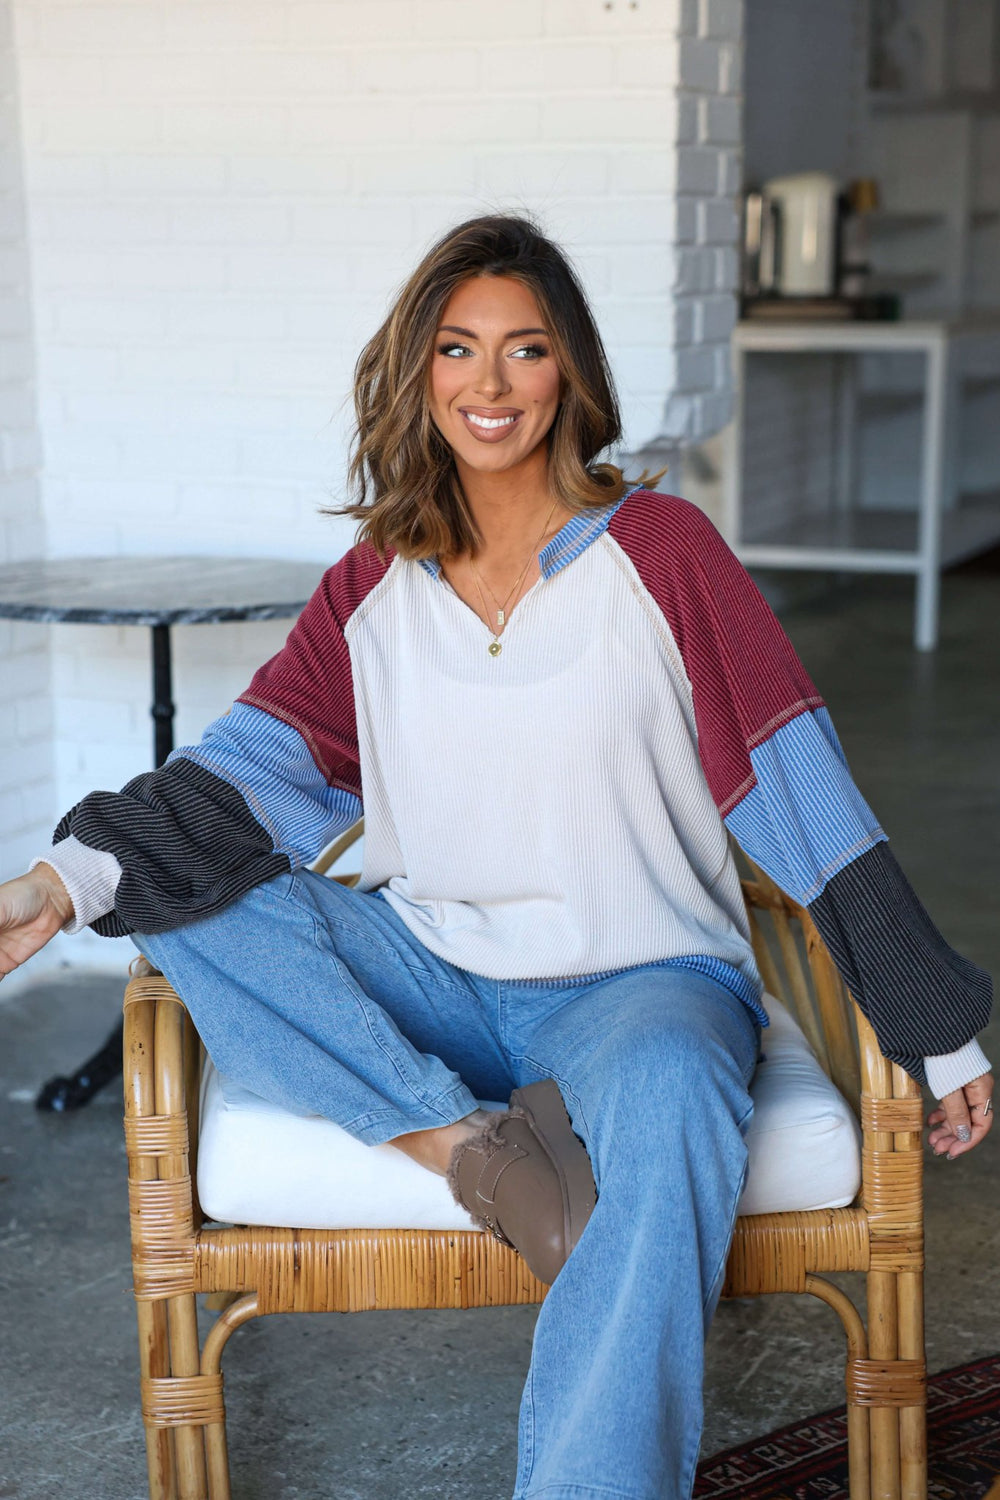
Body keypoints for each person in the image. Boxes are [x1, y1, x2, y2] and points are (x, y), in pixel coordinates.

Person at [0, 213, 994, 1500]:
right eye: (459, 350)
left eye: (525, 350)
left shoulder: (662, 552)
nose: (491, 383)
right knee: (189, 901)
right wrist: (54, 885)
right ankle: (464, 1150)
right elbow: (240, 785)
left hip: (643, 984)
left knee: (678, 1098)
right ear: (419, 372)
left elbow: (796, 784)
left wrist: (929, 1021)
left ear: (568, 373)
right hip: (439, 968)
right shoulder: (375, 582)